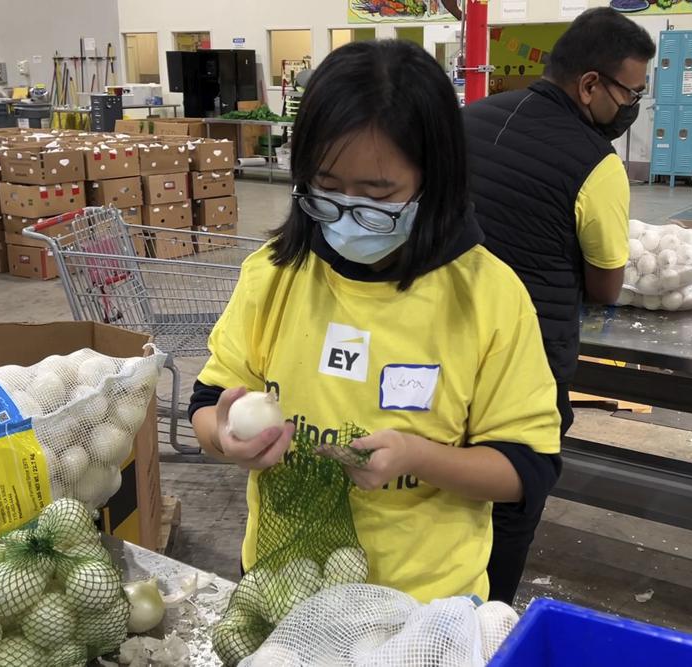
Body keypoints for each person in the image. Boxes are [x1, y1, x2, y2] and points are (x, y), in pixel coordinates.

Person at [187, 39, 561, 603]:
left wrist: (419, 458)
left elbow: (525, 468)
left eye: (377, 194)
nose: (347, 214)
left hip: (420, 605)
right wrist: (224, 439)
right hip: (280, 584)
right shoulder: (275, 273)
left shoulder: (487, 296)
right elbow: (208, 402)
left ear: (434, 177)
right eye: (327, 189)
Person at [463, 7, 655, 604]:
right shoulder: (597, 164)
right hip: (525, 366)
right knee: (511, 500)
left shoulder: (466, 120)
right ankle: (486, 627)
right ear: (591, 85)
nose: (633, 106)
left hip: (437, 348)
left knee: (437, 497)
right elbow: (605, 287)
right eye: (631, 92)